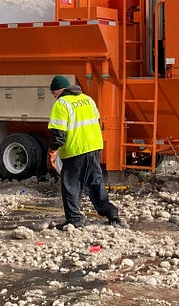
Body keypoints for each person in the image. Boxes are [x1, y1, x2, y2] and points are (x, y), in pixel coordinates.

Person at [47, 75, 126, 229]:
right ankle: (111, 213)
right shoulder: (87, 99)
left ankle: (74, 219)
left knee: (71, 185)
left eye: (53, 93)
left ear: (60, 90)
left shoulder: (61, 104)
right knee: (95, 182)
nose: (54, 96)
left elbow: (58, 134)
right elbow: (95, 121)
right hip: (94, 146)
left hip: (76, 150)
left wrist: (52, 150)